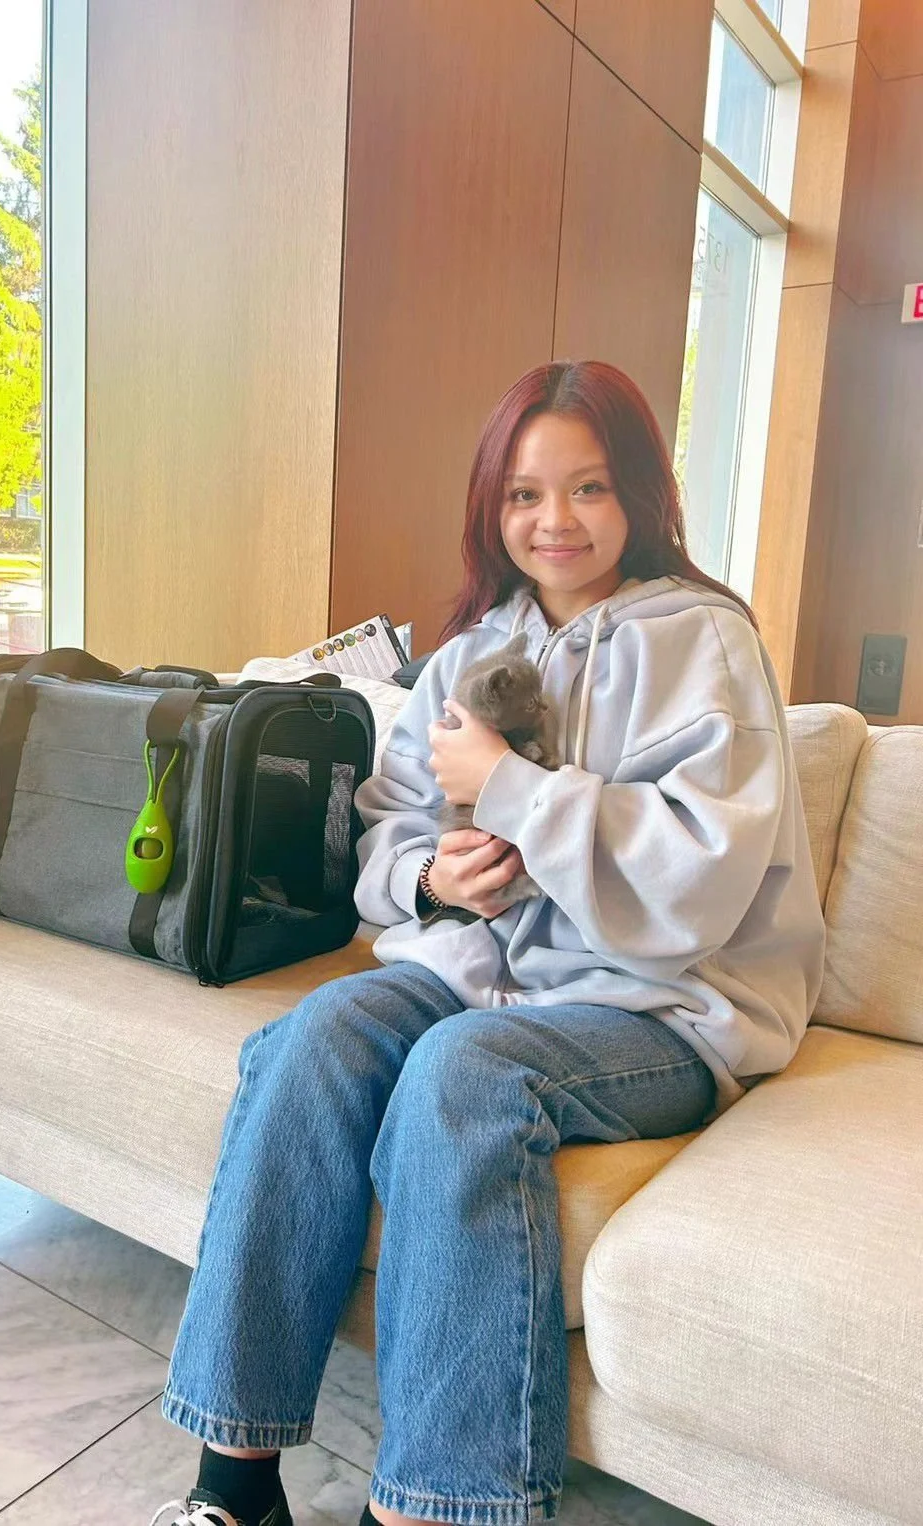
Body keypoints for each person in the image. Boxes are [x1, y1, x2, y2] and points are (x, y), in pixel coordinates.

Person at [149, 360, 826, 1526]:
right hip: (481, 976)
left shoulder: (707, 644)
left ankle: (430, 1509)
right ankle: (232, 1483)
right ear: (489, 506)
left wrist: (511, 788)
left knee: (463, 1077)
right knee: (316, 1033)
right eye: (523, 494)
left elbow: (701, 882)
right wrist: (427, 874)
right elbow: (387, 833)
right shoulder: (468, 654)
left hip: (655, 1004)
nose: (554, 521)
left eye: (588, 488)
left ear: (643, 496)